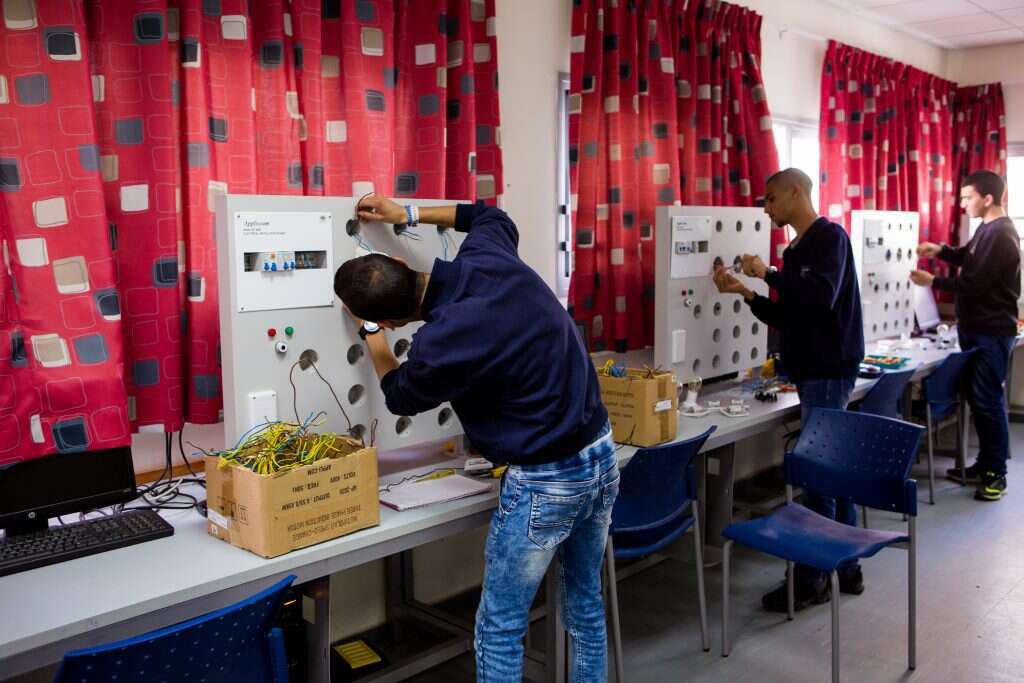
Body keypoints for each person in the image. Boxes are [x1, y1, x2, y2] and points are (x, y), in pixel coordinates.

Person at [334, 195, 617, 682]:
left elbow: (400, 394)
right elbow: (488, 214)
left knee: (499, 629)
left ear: (397, 321)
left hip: (546, 482)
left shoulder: (442, 341)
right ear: (404, 261)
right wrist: (407, 214)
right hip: (601, 454)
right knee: (585, 603)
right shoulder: (487, 256)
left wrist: (373, 336)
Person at [712, 168, 865, 612]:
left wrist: (769, 273)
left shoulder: (830, 238)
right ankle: (847, 567)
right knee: (831, 471)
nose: (766, 207)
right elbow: (789, 316)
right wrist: (746, 292)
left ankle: (812, 579)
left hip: (829, 372)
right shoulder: (795, 250)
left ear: (795, 193)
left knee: (818, 477)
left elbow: (820, 297)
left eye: (771, 198)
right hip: (811, 373)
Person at [911, 170, 1020, 502]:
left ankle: (996, 474)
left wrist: (933, 282)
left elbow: (974, 284)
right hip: (978, 330)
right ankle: (985, 464)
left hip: (991, 332)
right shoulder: (987, 229)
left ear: (988, 199)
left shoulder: (1001, 234)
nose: (963, 204)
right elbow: (967, 257)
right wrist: (940, 250)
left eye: (967, 198)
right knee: (979, 399)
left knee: (987, 401)